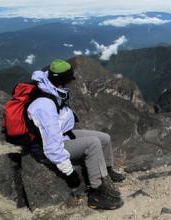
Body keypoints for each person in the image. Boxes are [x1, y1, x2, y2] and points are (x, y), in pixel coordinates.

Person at [27, 59, 125, 210]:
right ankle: (97, 193)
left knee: (104, 139)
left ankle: (107, 172)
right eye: (69, 79)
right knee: (93, 144)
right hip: (45, 147)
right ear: (62, 80)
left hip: (62, 134)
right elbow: (52, 148)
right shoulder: (44, 106)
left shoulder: (51, 87)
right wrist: (69, 172)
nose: (71, 83)